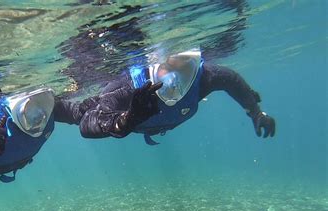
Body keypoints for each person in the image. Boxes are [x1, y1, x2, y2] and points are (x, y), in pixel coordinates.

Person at [74, 49, 276, 145]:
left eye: (183, 70)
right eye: (167, 68)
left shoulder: (204, 78)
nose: (173, 82)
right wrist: (126, 121)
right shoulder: (128, 86)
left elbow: (232, 81)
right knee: (75, 111)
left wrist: (256, 113)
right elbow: (87, 123)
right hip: (129, 120)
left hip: (156, 126)